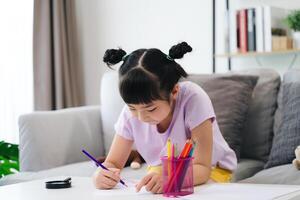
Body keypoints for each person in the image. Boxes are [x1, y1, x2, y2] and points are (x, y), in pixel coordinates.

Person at [93, 42, 237, 194]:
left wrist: (171, 178)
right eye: (132, 108)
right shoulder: (130, 113)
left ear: (174, 91)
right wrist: (100, 176)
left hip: (211, 169)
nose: (141, 117)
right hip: (163, 170)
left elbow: (202, 168)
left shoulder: (193, 98)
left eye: (151, 108)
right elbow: (113, 162)